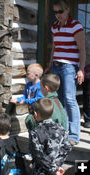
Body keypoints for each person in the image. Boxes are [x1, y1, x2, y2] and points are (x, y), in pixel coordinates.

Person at [45, 0, 86, 145]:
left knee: (70, 100)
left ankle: (74, 136)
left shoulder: (76, 26)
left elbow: (82, 50)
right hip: (56, 67)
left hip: (69, 68)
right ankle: (62, 131)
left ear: (67, 10)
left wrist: (81, 69)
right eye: (55, 12)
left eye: (60, 12)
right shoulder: (54, 27)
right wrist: (49, 66)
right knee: (59, 100)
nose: (58, 15)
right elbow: (54, 48)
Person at [29, 98, 72, 175]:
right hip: (56, 169)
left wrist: (53, 168)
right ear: (53, 112)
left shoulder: (35, 132)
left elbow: (38, 155)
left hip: (41, 171)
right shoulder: (61, 128)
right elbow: (67, 147)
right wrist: (57, 165)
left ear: (35, 114)